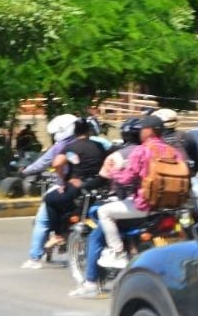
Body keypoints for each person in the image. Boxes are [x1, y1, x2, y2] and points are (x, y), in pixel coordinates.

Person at [96, 114, 186, 269]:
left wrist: (112, 171)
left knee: (104, 212)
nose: (140, 132)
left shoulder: (142, 151)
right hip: (170, 205)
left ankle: (117, 252)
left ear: (148, 131)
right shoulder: (174, 151)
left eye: (143, 129)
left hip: (144, 206)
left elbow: (126, 179)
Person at [19, 113, 80, 269]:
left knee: (42, 221)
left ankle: (35, 258)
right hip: (88, 186)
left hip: (64, 187)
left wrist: (25, 171)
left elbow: (43, 163)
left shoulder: (60, 147)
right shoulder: (90, 142)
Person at [41, 118, 107, 251]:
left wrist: (62, 180)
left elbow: (57, 163)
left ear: (74, 132)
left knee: (49, 199)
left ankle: (58, 235)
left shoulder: (72, 147)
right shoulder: (99, 146)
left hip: (77, 186)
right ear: (89, 131)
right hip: (98, 185)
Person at [151, 108, 198, 176]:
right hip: (182, 180)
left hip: (160, 180)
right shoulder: (186, 136)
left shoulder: (154, 139)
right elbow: (197, 160)